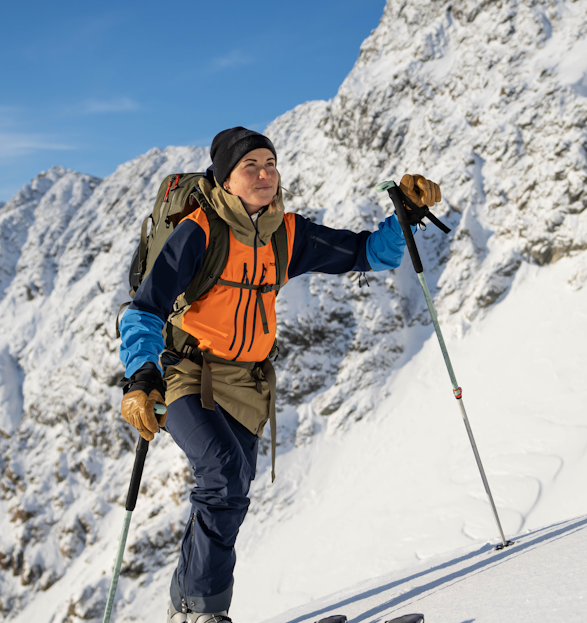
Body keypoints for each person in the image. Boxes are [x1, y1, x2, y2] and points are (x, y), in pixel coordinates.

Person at [118, 127, 441, 623]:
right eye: (252, 165)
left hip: (247, 384)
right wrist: (141, 378)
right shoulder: (199, 232)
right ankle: (201, 612)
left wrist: (404, 217)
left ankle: (187, 610)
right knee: (223, 476)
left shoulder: (285, 234)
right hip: (187, 373)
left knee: (228, 492)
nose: (265, 173)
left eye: (271, 163)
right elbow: (144, 310)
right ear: (227, 180)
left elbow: (370, 254)